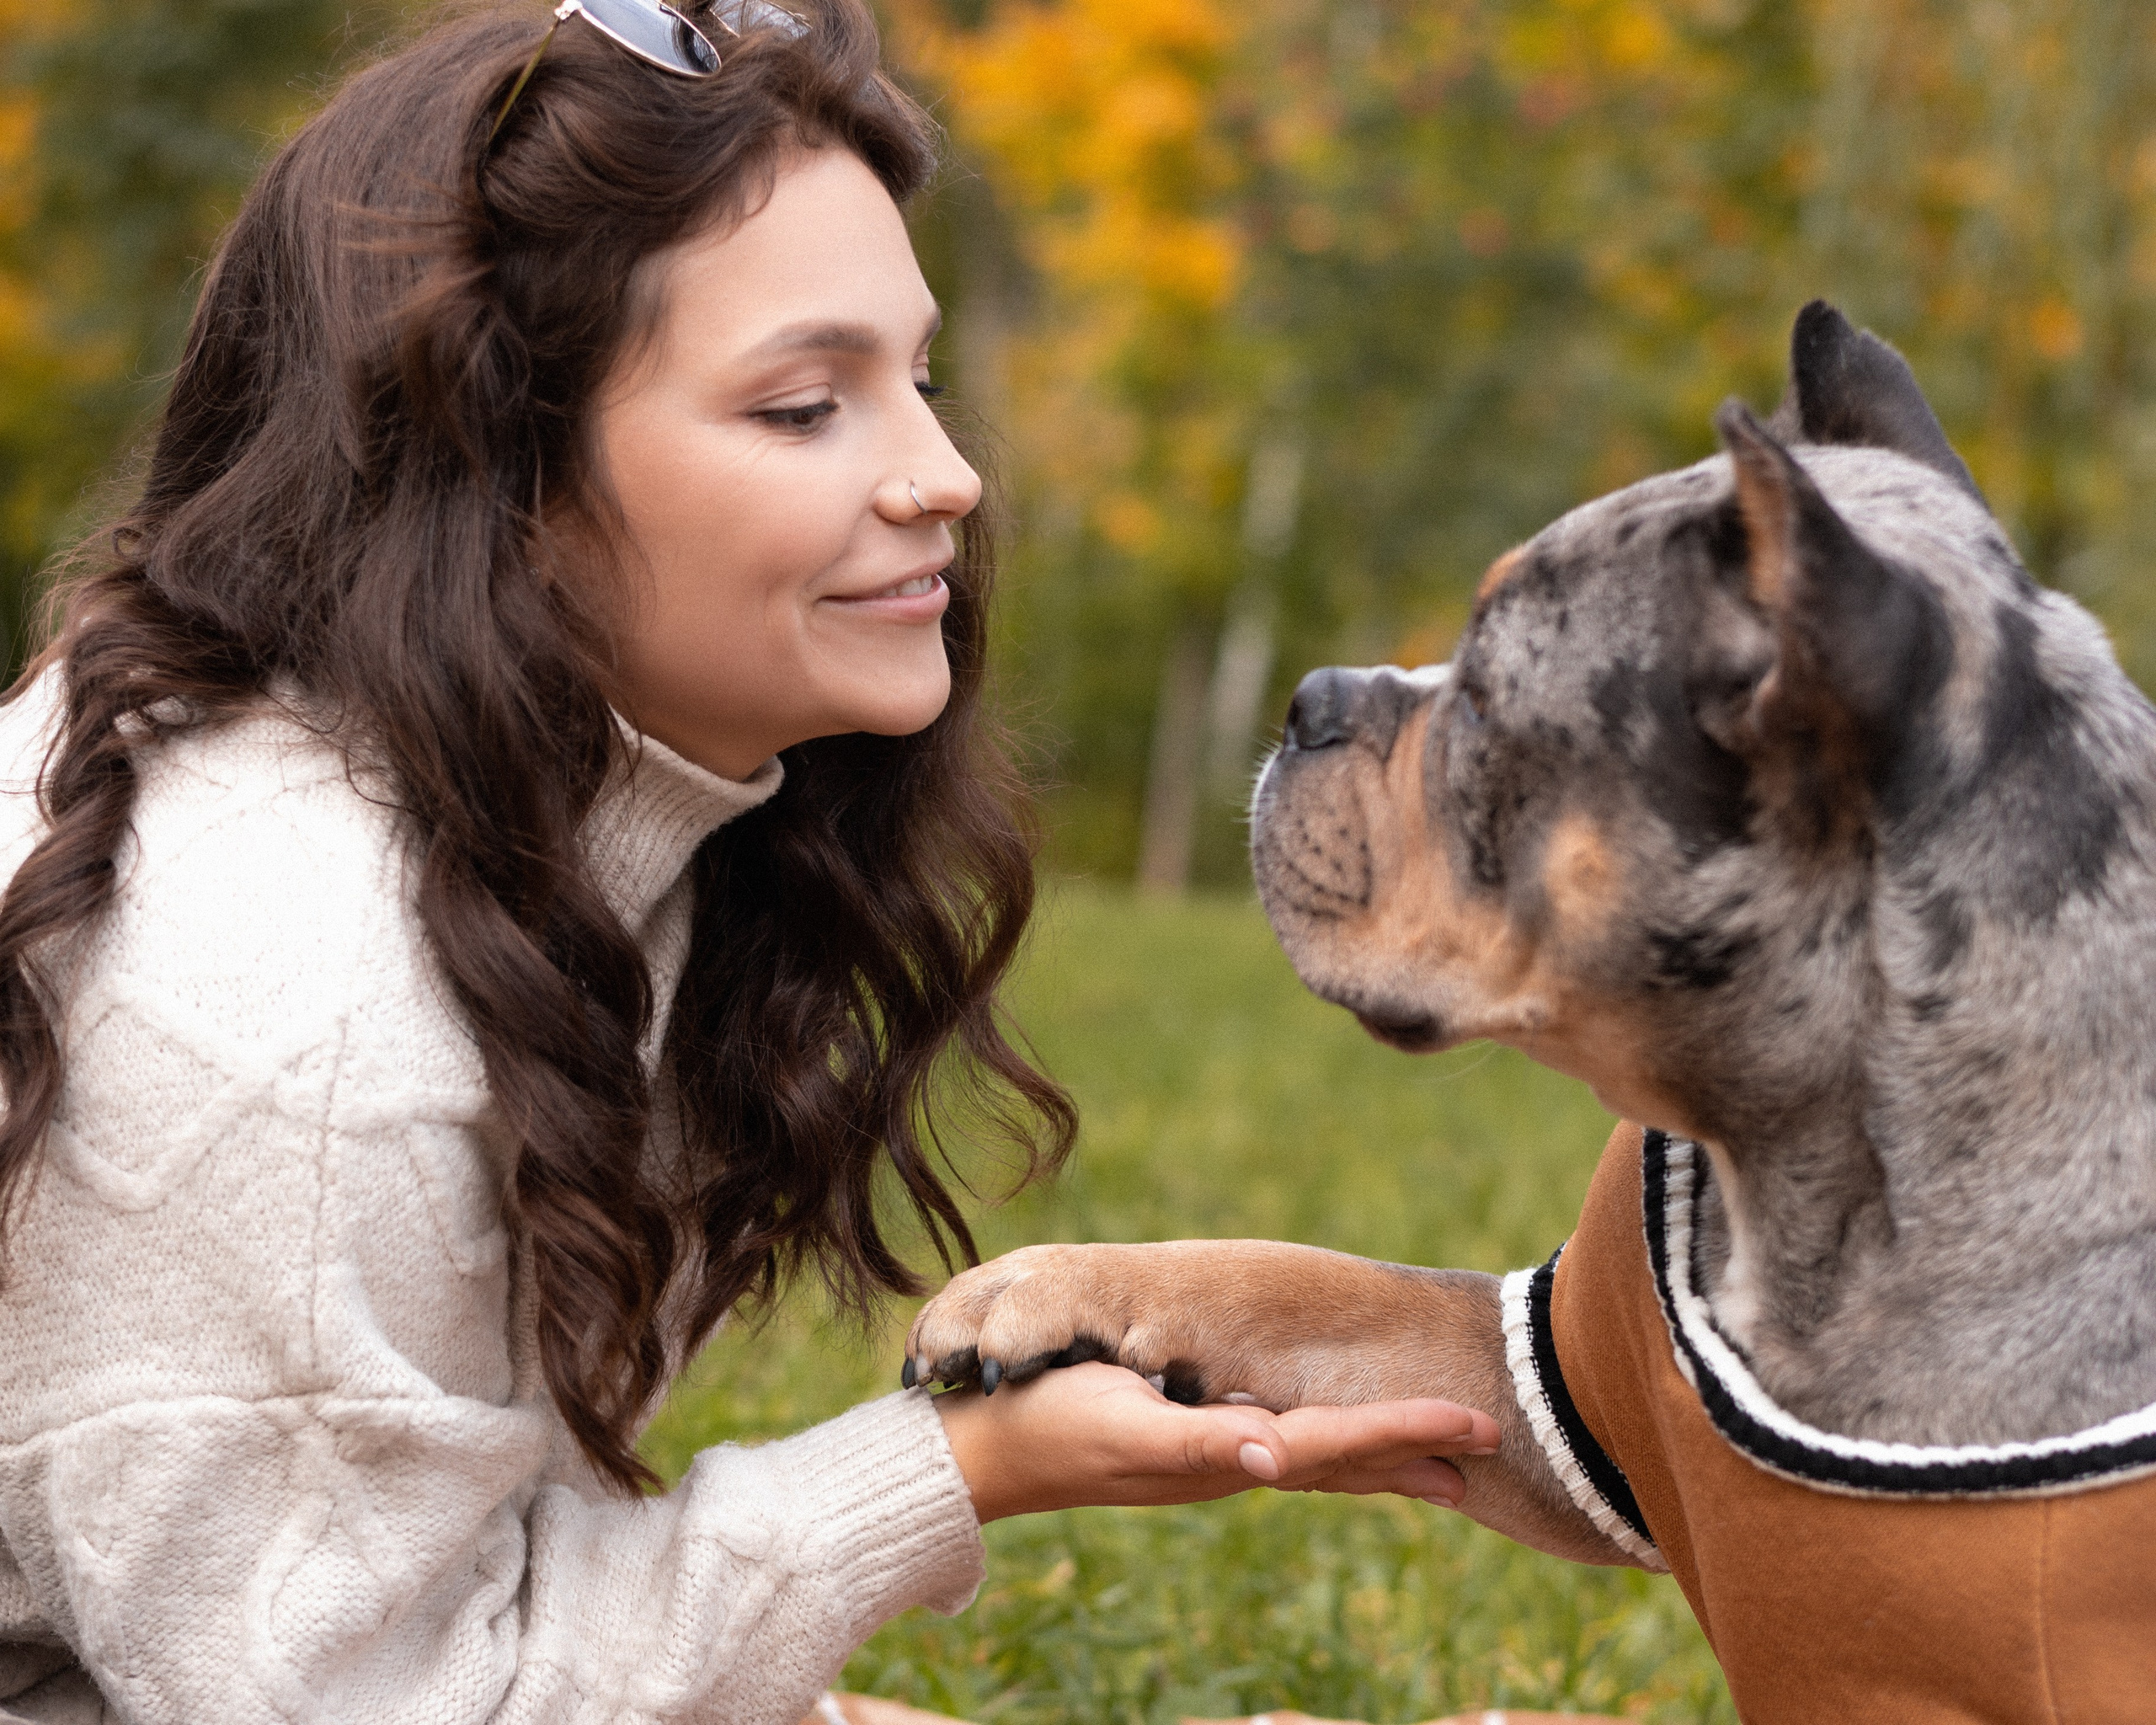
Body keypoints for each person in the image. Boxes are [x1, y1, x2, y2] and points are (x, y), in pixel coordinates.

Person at [0, 3, 1500, 1720]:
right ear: (498, 472)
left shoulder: (547, 820)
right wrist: (952, 1471)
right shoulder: (297, 1001)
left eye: (914, 381)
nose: (944, 476)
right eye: (803, 408)